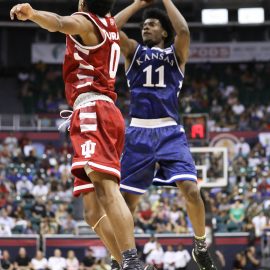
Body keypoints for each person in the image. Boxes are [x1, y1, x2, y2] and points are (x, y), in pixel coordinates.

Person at [10, 1, 145, 269]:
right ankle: (121, 261)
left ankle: (132, 262)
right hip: (98, 113)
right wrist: (138, 4)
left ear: (83, 3)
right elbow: (115, 20)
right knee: (92, 212)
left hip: (94, 111)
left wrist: (34, 14)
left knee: (107, 190)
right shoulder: (107, 25)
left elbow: (59, 23)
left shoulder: (85, 22)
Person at [114, 0, 218, 269]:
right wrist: (137, 5)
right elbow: (110, 29)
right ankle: (120, 256)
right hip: (138, 132)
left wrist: (166, 0)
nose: (146, 27)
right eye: (144, 25)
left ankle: (199, 245)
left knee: (192, 191)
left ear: (164, 32)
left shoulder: (176, 54)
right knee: (128, 202)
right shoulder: (133, 52)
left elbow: (183, 30)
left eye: (152, 24)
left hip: (170, 132)